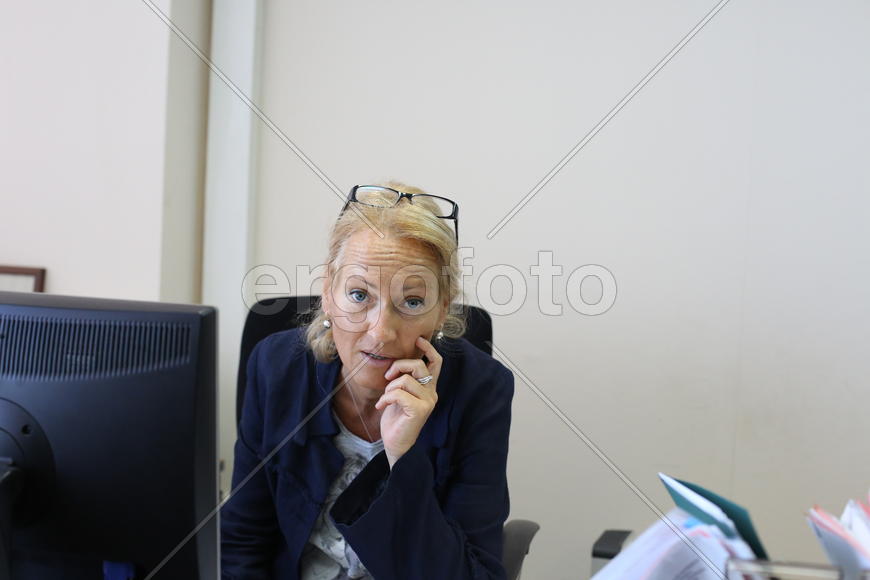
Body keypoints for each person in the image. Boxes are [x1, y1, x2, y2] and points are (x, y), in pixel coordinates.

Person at [221, 182, 515, 579]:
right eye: (360, 295)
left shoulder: (482, 389)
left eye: (412, 302)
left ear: (442, 309)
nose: (381, 332)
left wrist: (403, 457)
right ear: (328, 292)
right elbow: (243, 543)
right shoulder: (276, 368)